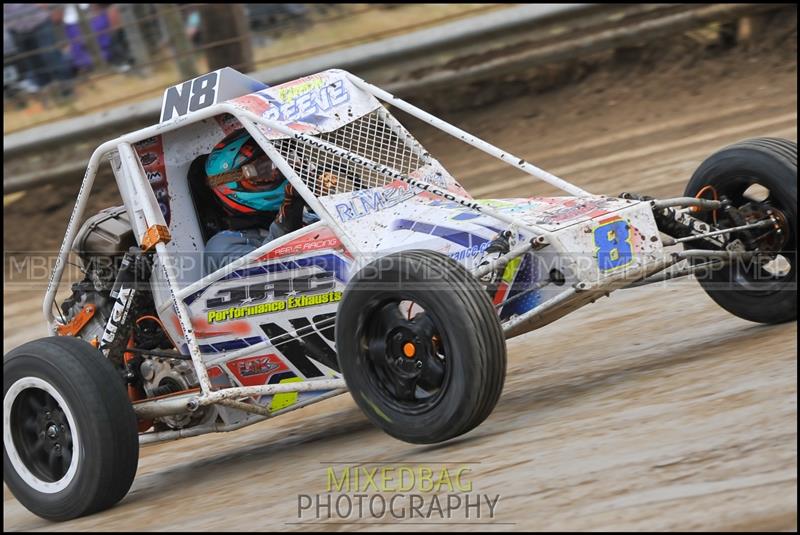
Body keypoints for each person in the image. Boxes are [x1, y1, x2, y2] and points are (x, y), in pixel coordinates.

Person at [201, 129, 319, 274]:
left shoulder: (310, 212)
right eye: (265, 170)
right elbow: (265, 273)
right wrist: (288, 217)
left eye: (281, 158)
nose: (280, 170)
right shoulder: (221, 246)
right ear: (235, 189)